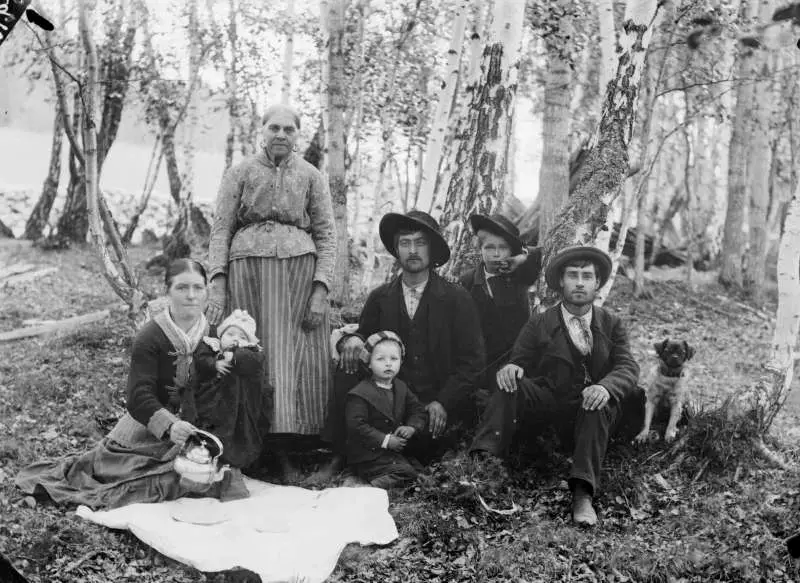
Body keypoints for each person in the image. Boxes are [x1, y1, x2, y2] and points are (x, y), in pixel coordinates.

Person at [15, 259, 249, 509]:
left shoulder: (216, 335)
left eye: (198, 288)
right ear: (167, 291)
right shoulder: (150, 336)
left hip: (198, 427)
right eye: (182, 288)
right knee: (153, 476)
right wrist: (170, 426)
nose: (191, 296)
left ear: (207, 291)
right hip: (149, 428)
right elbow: (138, 396)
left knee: (218, 474)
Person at [206, 104, 336, 481]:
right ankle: (248, 448)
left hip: (298, 278)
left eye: (289, 129)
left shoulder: (312, 176)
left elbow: (327, 235)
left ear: (298, 135)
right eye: (274, 127)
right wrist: (218, 282)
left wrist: (321, 289)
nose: (281, 135)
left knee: (295, 361)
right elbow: (221, 229)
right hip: (246, 275)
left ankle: (290, 449)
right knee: (247, 351)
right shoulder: (241, 172)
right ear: (261, 130)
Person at [470, 246, 641, 526]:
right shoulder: (540, 322)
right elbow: (519, 360)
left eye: (587, 276)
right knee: (508, 384)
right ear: (561, 281)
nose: (580, 282)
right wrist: (512, 369)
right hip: (553, 405)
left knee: (597, 401)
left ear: (597, 283)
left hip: (593, 413)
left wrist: (606, 387)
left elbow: (628, 366)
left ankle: (583, 493)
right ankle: (482, 465)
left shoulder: (611, 323)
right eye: (572, 275)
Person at [323, 210, 485, 470]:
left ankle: (405, 460)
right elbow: (366, 335)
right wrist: (352, 340)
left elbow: (473, 362)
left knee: (425, 451)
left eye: (420, 243)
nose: (413, 250)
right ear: (396, 250)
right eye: (405, 243)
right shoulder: (380, 297)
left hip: (435, 405)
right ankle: (338, 454)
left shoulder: (457, 298)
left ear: (431, 251)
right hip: (390, 401)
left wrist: (444, 401)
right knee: (348, 365)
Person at [459, 213, 542, 401]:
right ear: (480, 249)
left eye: (502, 248)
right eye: (489, 248)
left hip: (518, 363)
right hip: (481, 366)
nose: (496, 254)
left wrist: (521, 259)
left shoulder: (521, 275)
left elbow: (547, 253)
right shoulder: (467, 282)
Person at [345, 331, 427, 489]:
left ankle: (394, 476)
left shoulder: (401, 387)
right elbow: (356, 426)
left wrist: (411, 427)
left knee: (419, 471)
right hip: (368, 455)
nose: (388, 364)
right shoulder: (360, 392)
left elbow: (417, 410)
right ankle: (366, 486)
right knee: (407, 473)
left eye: (394, 359)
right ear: (369, 363)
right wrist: (386, 441)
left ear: (401, 362)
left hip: (391, 453)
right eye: (380, 359)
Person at [186, 309, 267, 469]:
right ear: (221, 335)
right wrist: (214, 364)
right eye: (230, 334)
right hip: (210, 399)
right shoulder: (211, 347)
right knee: (206, 426)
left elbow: (255, 362)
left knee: (235, 434)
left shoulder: (251, 353)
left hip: (237, 405)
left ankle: (230, 461)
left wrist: (235, 356)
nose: (235, 339)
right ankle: (204, 455)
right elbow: (200, 361)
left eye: (242, 337)